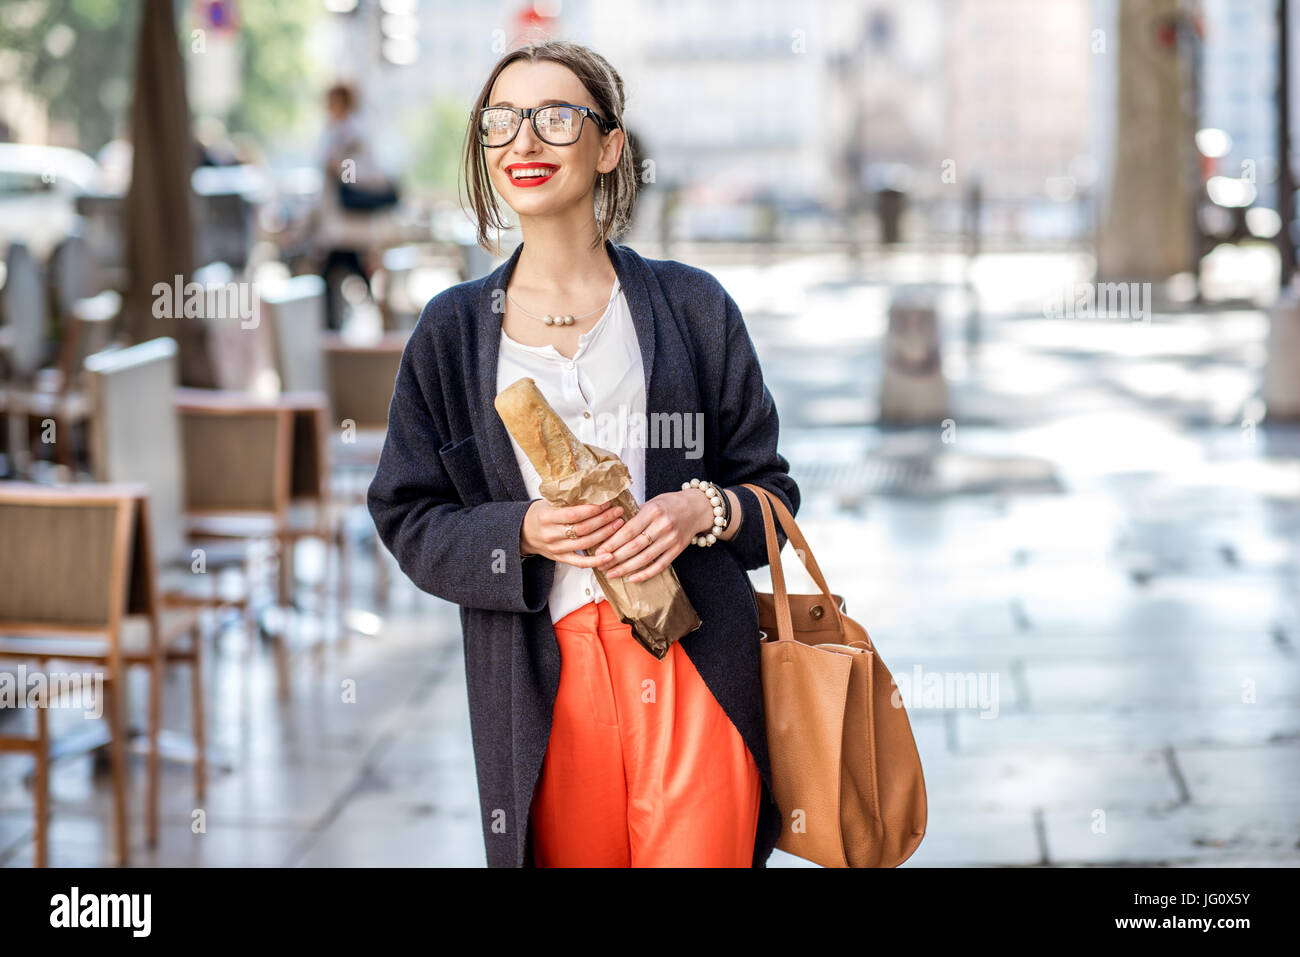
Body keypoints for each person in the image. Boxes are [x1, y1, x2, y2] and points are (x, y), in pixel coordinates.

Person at [367, 39, 798, 868]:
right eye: (502, 121)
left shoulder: (692, 307)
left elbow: (771, 495)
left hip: (694, 666)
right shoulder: (452, 333)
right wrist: (520, 530)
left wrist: (698, 509)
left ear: (608, 147)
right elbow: (408, 514)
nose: (524, 141)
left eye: (554, 117)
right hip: (539, 683)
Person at [312, 81, 393, 330]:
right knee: (348, 272)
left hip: (349, 226)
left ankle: (336, 325)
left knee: (334, 273)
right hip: (344, 226)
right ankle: (376, 317)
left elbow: (363, 174)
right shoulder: (340, 131)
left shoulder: (351, 133)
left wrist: (339, 169)